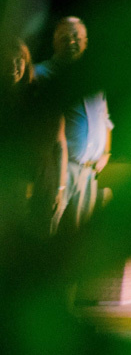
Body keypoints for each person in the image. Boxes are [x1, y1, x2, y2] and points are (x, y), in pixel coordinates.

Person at [34, 17, 111, 232]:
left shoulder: (93, 78)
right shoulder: (41, 73)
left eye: (76, 37)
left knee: (76, 239)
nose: (71, 42)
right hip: (57, 169)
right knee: (47, 230)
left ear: (85, 41)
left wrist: (106, 152)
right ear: (54, 41)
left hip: (89, 173)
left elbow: (105, 119)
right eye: (64, 37)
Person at [0, 39, 66, 232]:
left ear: (26, 63)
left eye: (19, 60)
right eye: (7, 60)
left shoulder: (41, 97)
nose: (13, 66)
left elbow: (60, 144)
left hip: (41, 186)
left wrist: (60, 189)